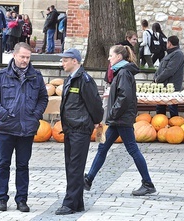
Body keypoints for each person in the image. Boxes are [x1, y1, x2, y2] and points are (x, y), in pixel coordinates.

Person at [84, 45, 156, 197]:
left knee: (132, 149)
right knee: (102, 148)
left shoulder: (123, 72)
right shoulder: (122, 72)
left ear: (119, 57)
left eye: (111, 55)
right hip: (118, 118)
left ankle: (148, 183)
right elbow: (121, 95)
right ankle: (88, 179)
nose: (109, 58)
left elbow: (125, 97)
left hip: (121, 119)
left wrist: (112, 113)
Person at [0, 42, 48, 212]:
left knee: (23, 165)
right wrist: (3, 114)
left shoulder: (36, 76)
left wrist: (35, 115)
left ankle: (22, 199)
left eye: (28, 57)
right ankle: (2, 199)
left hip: (26, 129)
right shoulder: (1, 76)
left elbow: (43, 98)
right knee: (3, 164)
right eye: (22, 57)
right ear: (14, 55)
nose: (25, 60)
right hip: (6, 128)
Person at [55, 48, 104, 215]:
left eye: (65, 60)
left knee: (75, 167)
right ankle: (77, 203)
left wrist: (96, 122)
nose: (62, 63)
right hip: (70, 129)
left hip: (80, 130)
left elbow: (95, 105)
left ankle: (69, 204)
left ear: (74, 61)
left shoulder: (85, 80)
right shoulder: (71, 79)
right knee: (71, 166)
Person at [153, 36, 184, 117]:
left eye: (167, 42)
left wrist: (157, 79)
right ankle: (160, 127)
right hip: (163, 87)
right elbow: (161, 68)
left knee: (172, 109)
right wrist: (155, 78)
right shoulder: (170, 54)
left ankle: (174, 128)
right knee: (160, 110)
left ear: (169, 43)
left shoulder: (178, 54)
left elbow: (169, 70)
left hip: (171, 88)